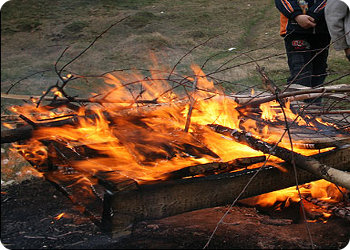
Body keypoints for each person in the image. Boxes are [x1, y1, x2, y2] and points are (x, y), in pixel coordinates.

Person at [275, 0, 331, 90]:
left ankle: (315, 102)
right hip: (295, 31)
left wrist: (314, 14)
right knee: (300, 71)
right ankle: (297, 102)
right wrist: (296, 15)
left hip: (322, 31)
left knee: (319, 71)